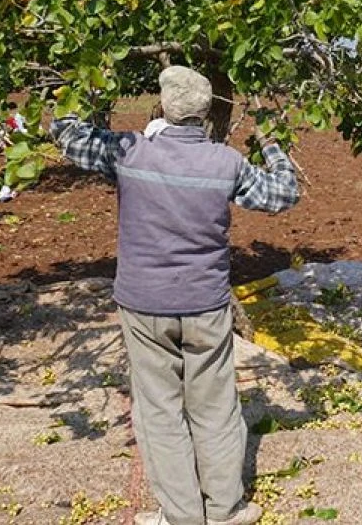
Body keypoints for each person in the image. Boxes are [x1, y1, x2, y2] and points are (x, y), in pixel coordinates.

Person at [50, 66, 300, 525]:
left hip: (144, 304)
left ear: (164, 106)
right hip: (206, 304)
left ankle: (182, 516)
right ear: (205, 113)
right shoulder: (225, 163)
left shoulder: (129, 151)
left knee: (160, 412)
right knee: (216, 407)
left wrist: (91, 86)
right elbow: (284, 193)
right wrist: (269, 141)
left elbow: (65, 133)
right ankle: (224, 510)